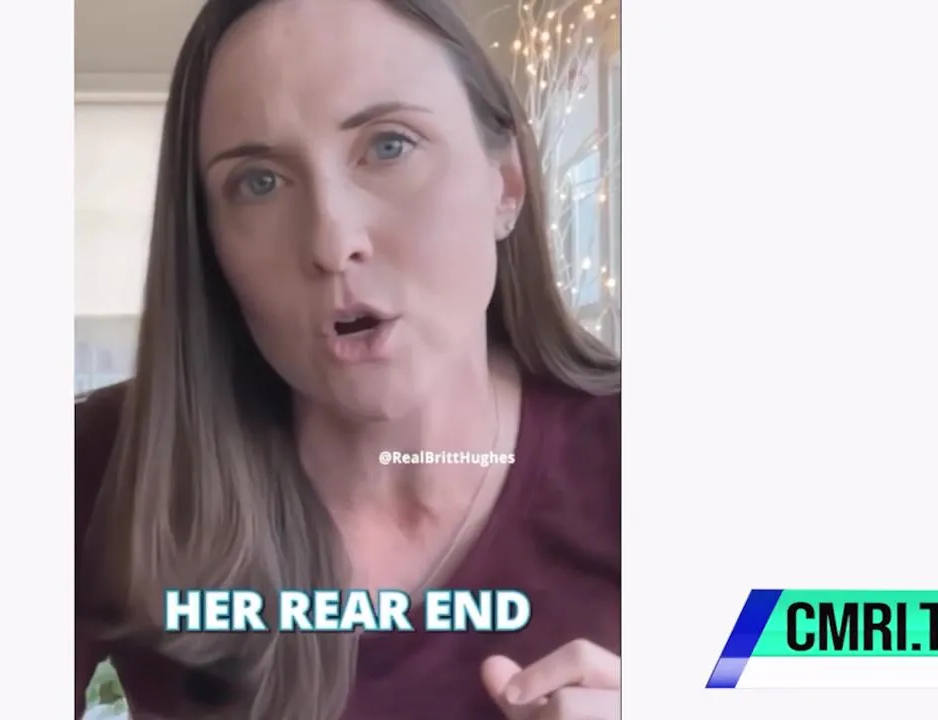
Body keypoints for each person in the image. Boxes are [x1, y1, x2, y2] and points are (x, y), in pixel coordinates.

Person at [75, 0, 621, 717]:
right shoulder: (108, 464)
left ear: (507, 182)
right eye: (259, 182)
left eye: (389, 145)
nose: (332, 244)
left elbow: (777, 671)